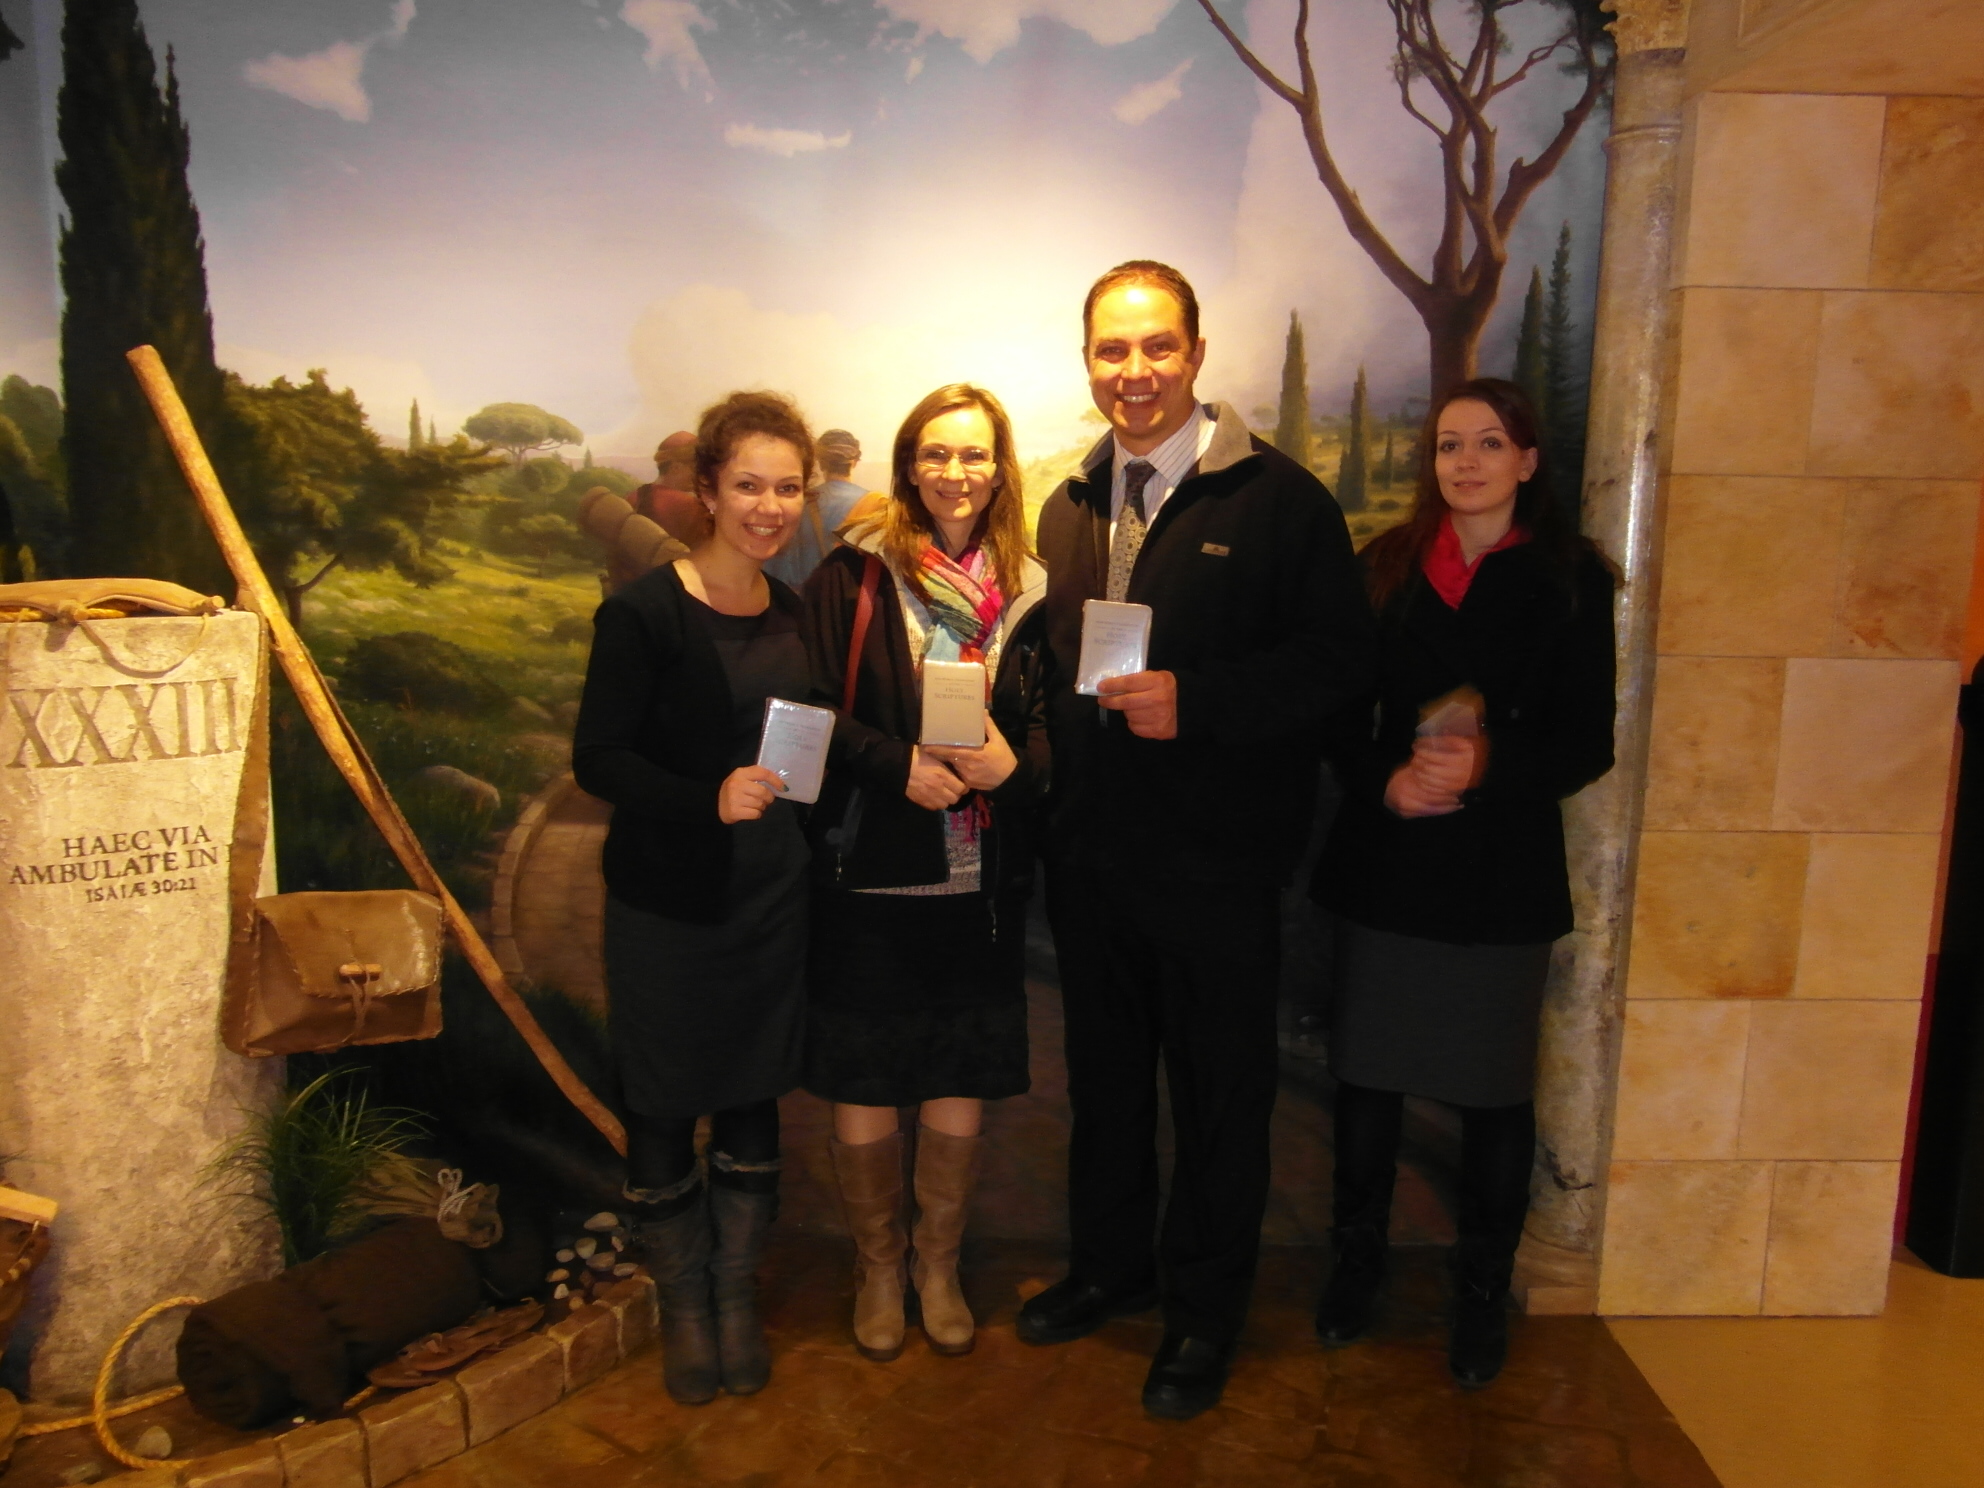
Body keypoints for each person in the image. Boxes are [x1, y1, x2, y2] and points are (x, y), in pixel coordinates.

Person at [1020, 261, 1376, 1418]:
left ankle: (1203, 1315)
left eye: (1156, 346)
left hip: (1217, 870)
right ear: (1088, 361)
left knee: (1220, 1100)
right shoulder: (1070, 504)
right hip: (1092, 865)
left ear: (1196, 354)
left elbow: (1338, 666)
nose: (1134, 372)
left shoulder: (1279, 502)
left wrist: (1202, 700)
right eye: (1111, 350)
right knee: (1107, 1088)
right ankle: (1110, 1269)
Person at [1309, 377, 1617, 1388]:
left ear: (1527, 461)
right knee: (1367, 1082)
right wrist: (1384, 781)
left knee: (1493, 1096)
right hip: (1390, 862)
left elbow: (1588, 741)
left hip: (1497, 878)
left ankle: (1481, 1293)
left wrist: (1489, 766)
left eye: (1489, 443)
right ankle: (1356, 1266)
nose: (1466, 462)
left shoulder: (1571, 580)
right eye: (1449, 445)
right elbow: (1335, 718)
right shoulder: (1385, 568)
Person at [570, 391, 817, 1406]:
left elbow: (811, 749)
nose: (768, 507)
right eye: (748, 485)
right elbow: (598, 759)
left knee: (753, 1103)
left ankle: (732, 1297)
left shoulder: (795, 615)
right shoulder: (642, 615)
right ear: (708, 490)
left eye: (787, 488)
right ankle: (683, 1307)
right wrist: (702, 798)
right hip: (667, 909)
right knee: (664, 1110)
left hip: (769, 904)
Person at [801, 384, 1048, 1363]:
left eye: (974, 454)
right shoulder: (853, 575)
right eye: (936, 454)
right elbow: (811, 709)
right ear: (908, 465)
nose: (956, 473)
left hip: (978, 881)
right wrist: (891, 764)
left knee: (956, 1069)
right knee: (865, 1072)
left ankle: (936, 1266)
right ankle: (878, 1266)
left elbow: (1051, 725)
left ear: (999, 467)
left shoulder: (1028, 587)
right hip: (872, 872)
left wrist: (1014, 767)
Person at [765, 428, 866, 590]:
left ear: (819, 460)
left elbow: (778, 564)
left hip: (800, 597)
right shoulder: (877, 504)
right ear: (855, 461)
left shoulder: (796, 502)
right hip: (851, 599)